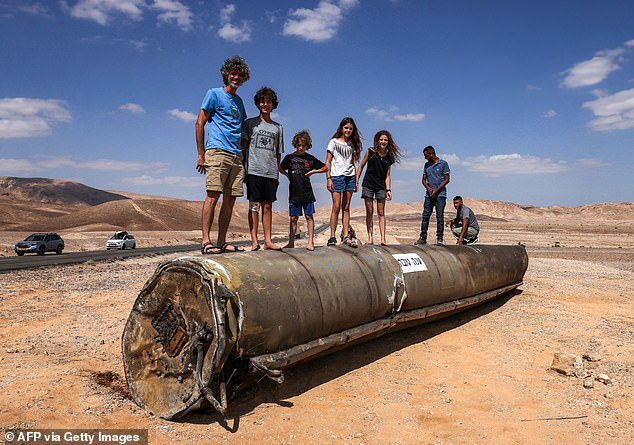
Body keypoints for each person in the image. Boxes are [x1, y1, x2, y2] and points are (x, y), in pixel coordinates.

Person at [196, 55, 250, 254]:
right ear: (226, 74)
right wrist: (201, 154)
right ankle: (205, 242)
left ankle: (221, 241)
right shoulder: (214, 94)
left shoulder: (239, 102)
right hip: (217, 151)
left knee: (230, 200)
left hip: (236, 156)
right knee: (213, 196)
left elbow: (242, 130)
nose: (236, 77)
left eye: (240, 74)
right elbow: (200, 122)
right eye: (233, 73)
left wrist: (243, 158)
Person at [241, 87, 284, 251]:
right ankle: (254, 240)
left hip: (270, 172)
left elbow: (278, 152)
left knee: (268, 206)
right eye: (262, 101)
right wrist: (244, 169)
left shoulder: (278, 128)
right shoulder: (250, 124)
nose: (265, 104)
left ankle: (268, 240)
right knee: (254, 206)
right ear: (258, 103)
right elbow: (244, 148)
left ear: (273, 105)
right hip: (254, 170)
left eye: (268, 101)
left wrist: (277, 171)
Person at [280, 129, 327, 251]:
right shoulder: (289, 158)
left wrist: (313, 171)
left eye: (303, 145)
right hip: (294, 192)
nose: (301, 148)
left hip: (307, 193)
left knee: (309, 216)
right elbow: (280, 168)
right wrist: (287, 175)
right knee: (293, 218)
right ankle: (291, 242)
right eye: (299, 145)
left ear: (307, 146)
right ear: (295, 144)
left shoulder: (310, 159)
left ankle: (310, 242)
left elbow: (326, 167)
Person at [356, 130, 401, 245]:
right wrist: (355, 180)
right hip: (368, 185)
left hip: (381, 187)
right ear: (377, 140)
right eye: (381, 139)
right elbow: (361, 166)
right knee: (369, 211)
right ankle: (370, 238)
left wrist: (388, 189)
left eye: (385, 140)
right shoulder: (371, 152)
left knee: (381, 212)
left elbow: (388, 175)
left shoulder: (389, 157)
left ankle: (382, 238)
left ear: (388, 141)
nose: (383, 142)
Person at [325, 117, 362, 248]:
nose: (348, 130)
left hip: (350, 177)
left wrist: (356, 180)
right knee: (336, 206)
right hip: (336, 176)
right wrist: (328, 178)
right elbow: (328, 162)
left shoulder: (352, 144)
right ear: (341, 128)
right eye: (346, 128)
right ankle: (332, 237)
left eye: (350, 129)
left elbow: (352, 163)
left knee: (346, 208)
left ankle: (346, 236)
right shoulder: (333, 142)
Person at [415, 145, 450, 245]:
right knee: (425, 216)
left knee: (439, 217)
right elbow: (423, 180)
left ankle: (439, 238)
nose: (425, 158)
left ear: (431, 154)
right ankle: (423, 238)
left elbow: (447, 179)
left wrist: (437, 190)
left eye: (426, 155)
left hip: (440, 195)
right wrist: (429, 189)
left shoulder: (443, 164)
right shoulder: (426, 165)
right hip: (428, 195)